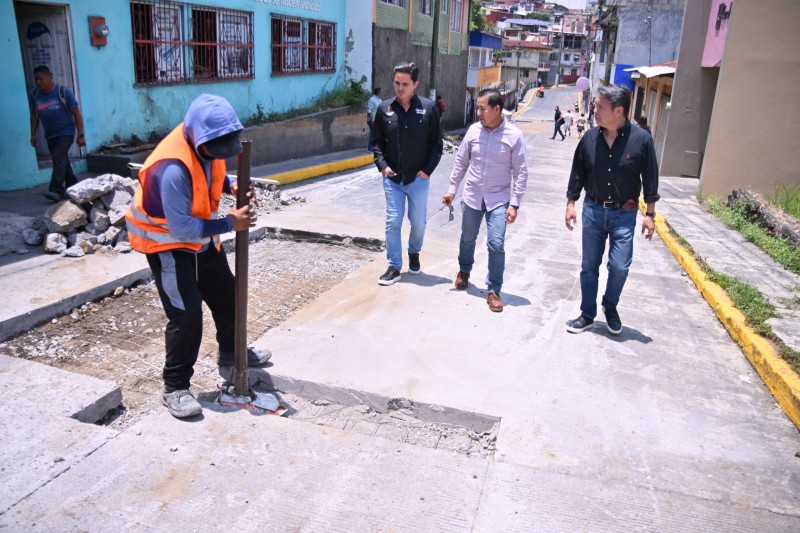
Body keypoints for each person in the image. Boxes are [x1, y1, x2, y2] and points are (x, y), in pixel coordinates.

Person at [125, 94, 271, 418]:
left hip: (200, 240)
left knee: (227, 295)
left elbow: (211, 173)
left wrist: (232, 186)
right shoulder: (172, 168)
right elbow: (184, 229)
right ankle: (175, 387)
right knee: (186, 315)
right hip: (167, 244)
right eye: (219, 149)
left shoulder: (206, 143)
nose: (223, 153)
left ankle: (232, 355)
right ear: (201, 140)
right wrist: (230, 223)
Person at [564, 85, 659, 335]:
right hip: (593, 211)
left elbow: (650, 179)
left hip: (623, 215)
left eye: (600, 107)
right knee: (589, 266)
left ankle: (610, 305)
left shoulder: (641, 139)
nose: (594, 110)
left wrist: (650, 215)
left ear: (618, 111)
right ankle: (587, 314)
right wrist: (571, 204)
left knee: (619, 267)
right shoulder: (589, 138)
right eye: (595, 106)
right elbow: (577, 173)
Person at [442, 89, 528, 312]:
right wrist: (452, 189)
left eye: (482, 108)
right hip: (472, 195)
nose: (478, 113)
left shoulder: (514, 136)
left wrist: (514, 204)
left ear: (497, 109)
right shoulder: (473, 131)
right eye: (477, 108)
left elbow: (520, 172)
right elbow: (461, 162)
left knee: (496, 244)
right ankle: (464, 271)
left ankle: (494, 290)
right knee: (467, 239)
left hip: (499, 198)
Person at [371, 61, 443, 285]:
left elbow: (436, 144)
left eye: (405, 84)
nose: (400, 88)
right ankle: (394, 266)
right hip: (393, 178)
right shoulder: (384, 109)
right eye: (396, 83)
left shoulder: (429, 109)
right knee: (393, 221)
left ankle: (414, 252)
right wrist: (382, 165)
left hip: (418, 179)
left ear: (415, 84)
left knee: (418, 222)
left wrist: (427, 171)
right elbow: (376, 142)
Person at [28, 65, 85, 202]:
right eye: (36, 79)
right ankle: (73, 186)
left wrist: (80, 135)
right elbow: (34, 115)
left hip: (66, 132)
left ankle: (56, 190)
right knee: (62, 161)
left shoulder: (63, 92)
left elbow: (76, 113)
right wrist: (33, 134)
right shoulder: (35, 95)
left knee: (58, 157)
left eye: (41, 79)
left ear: (50, 77)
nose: (38, 82)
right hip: (50, 135)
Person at [366, 87, 382, 151]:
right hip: (372, 120)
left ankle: (376, 147)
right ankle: (370, 148)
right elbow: (369, 110)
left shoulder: (379, 100)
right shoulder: (371, 99)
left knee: (377, 134)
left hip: (378, 120)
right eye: (380, 91)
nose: (381, 92)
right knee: (373, 134)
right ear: (378, 92)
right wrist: (372, 119)